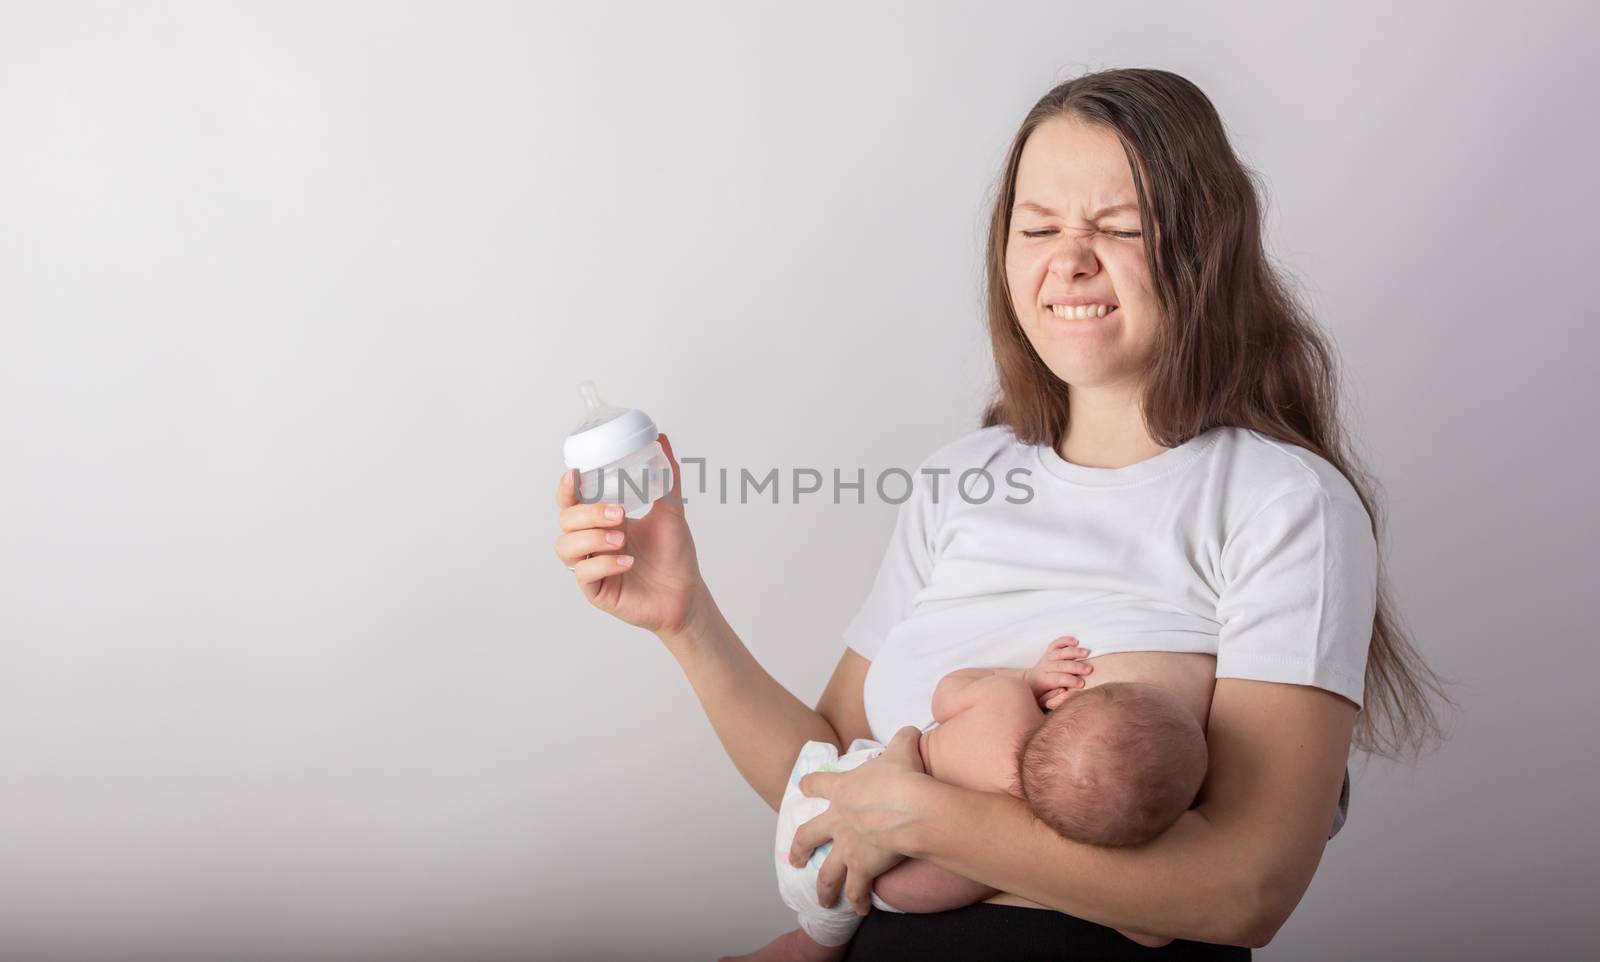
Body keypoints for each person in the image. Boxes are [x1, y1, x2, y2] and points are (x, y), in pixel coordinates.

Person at [553, 67, 1446, 959]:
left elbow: (1243, 890)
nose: (1071, 260)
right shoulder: (962, 479)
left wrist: (928, 817)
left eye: (1121, 227)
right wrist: (685, 614)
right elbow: (825, 773)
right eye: (1040, 226)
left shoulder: (1283, 504)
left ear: (1206, 248)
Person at [738, 635, 1211, 962]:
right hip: (843, 867)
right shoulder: (1016, 852)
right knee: (855, 907)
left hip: (834, 785)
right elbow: (1152, 931)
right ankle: (807, 947)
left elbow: (947, 692)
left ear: (1065, 700)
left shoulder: (1004, 704)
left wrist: (1027, 677)